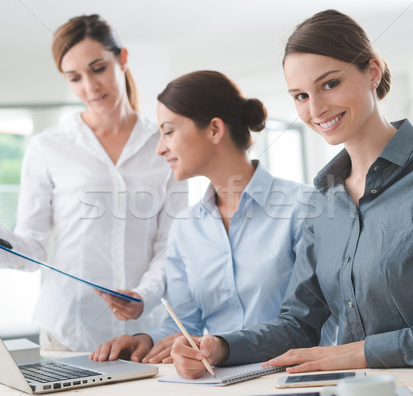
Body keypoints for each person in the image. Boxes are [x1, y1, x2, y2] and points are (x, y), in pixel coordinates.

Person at [170, 9, 413, 378]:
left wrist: (365, 352)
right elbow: (299, 323)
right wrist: (221, 346)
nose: (316, 108)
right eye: (301, 95)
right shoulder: (322, 199)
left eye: (330, 84)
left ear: (372, 72)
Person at [0, 14, 187, 352]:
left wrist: (143, 296)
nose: (89, 87)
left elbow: (170, 247)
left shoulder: (165, 144)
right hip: (67, 330)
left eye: (98, 68)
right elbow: (32, 249)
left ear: (122, 58)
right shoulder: (48, 147)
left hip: (142, 333)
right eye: (74, 77)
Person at [89, 70, 337, 363]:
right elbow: (184, 326)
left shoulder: (303, 208)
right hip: (218, 383)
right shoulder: (186, 228)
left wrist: (221, 347)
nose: (160, 148)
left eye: (168, 131)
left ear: (215, 129)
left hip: (293, 381)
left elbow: (307, 324)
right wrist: (144, 341)